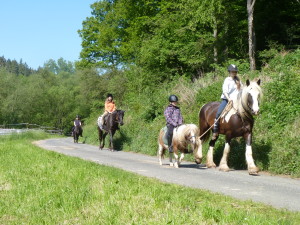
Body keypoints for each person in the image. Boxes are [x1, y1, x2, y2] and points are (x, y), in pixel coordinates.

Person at [213, 64, 241, 137]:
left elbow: (242, 89)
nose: (234, 73)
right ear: (229, 72)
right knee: (219, 113)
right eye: (232, 71)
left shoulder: (238, 80)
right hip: (227, 99)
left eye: (235, 72)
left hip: (237, 100)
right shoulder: (227, 80)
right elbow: (225, 91)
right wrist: (229, 99)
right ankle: (215, 129)